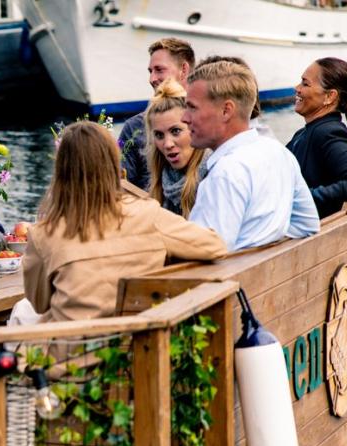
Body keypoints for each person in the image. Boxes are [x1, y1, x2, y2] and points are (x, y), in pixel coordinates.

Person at [23, 121, 226, 323]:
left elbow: (39, 303)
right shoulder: (148, 215)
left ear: (61, 170)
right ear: (113, 163)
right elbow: (213, 245)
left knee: (20, 314)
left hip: (73, 349)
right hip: (139, 344)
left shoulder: (43, 234)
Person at [183, 60, 321, 251]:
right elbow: (307, 224)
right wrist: (260, 239)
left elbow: (208, 253)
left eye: (192, 107)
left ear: (226, 111)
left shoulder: (225, 173)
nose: (184, 118)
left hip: (236, 278)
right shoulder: (279, 152)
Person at [286, 57, 347, 218]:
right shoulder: (305, 133)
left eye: (305, 84)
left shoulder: (329, 133)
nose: (297, 88)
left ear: (329, 96)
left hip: (309, 237)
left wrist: (306, 197)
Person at [118, 37, 195, 191]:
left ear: (184, 70)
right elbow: (121, 187)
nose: (152, 79)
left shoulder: (208, 121)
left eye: (159, 70)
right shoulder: (134, 127)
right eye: (158, 135)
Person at [145, 79, 205, 217]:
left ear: (193, 127)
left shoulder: (213, 177)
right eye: (159, 135)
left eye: (176, 131)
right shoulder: (160, 183)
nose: (167, 144)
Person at [194, 55, 274, 139]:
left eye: (194, 107)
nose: (186, 118)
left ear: (226, 110)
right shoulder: (266, 138)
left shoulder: (237, 147)